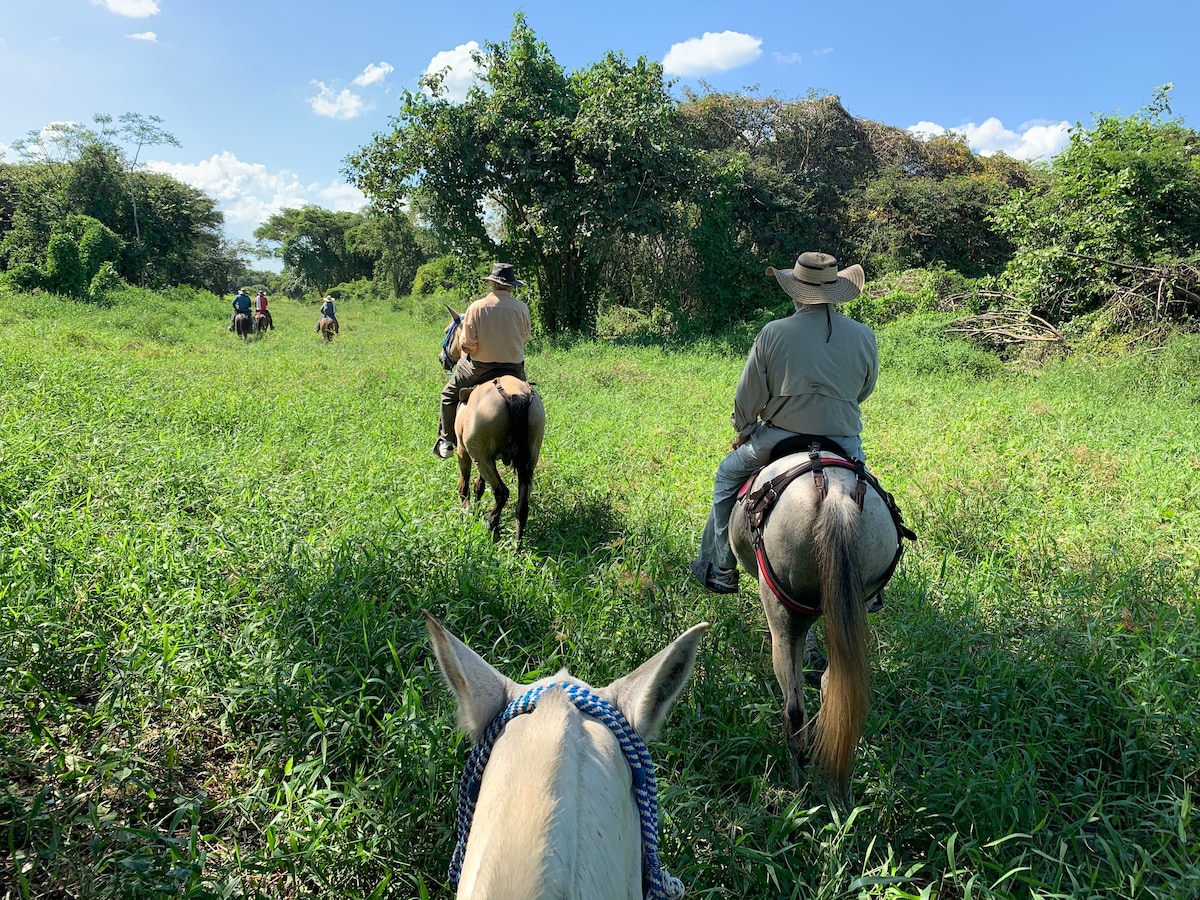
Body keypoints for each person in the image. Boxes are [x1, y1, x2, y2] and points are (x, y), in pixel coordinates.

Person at [691, 251, 878, 595]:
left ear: (795, 291)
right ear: (835, 289)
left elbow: (747, 395)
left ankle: (721, 566)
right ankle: (873, 584)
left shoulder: (773, 332)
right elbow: (864, 391)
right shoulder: (864, 335)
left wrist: (745, 428)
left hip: (779, 438)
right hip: (843, 440)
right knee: (869, 492)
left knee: (726, 477)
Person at [433, 262, 532, 459]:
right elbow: (525, 338)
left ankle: (447, 440)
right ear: (511, 286)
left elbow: (467, 345)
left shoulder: (476, 307)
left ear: (492, 284)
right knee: (527, 397)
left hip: (479, 368)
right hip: (514, 369)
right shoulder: (522, 308)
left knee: (447, 394)